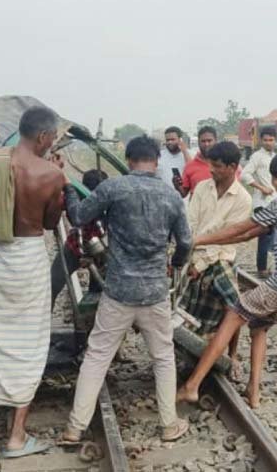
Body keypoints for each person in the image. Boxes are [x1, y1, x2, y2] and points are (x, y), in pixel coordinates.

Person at [60, 136, 192, 443]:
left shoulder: (113, 188)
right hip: (155, 292)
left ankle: (74, 427)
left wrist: (68, 189)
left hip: (118, 290)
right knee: (162, 356)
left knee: (97, 356)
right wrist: (177, 261)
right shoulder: (171, 196)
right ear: (156, 161)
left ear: (129, 159)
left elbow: (78, 216)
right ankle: (168, 424)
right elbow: (185, 242)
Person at [176, 154, 277, 408]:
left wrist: (196, 240)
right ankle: (253, 392)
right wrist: (205, 241)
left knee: (235, 312)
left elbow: (239, 228)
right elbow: (246, 235)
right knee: (258, 326)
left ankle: (191, 386)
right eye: (276, 178)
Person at [0, 108, 65, 463]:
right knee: (28, 343)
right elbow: (51, 223)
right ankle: (16, 435)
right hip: (27, 259)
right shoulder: (52, 174)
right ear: (43, 138)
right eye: (52, 138)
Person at [179, 142, 252, 384]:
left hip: (220, 258)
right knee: (191, 311)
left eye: (217, 166)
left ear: (233, 167)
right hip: (195, 254)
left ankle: (232, 355)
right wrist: (190, 258)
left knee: (236, 306)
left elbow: (229, 237)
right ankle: (198, 351)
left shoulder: (243, 199)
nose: (211, 170)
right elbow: (191, 223)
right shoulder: (201, 188)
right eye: (211, 165)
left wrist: (200, 264)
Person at [50, 170, 108, 305]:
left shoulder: (109, 202)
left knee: (97, 291)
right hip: (76, 246)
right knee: (52, 283)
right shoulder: (74, 198)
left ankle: (88, 319)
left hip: (100, 251)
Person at [241, 127, 277, 276]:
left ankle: (272, 269)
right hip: (262, 203)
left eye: (271, 140)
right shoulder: (257, 156)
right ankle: (261, 269)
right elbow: (244, 175)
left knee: (275, 237)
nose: (268, 143)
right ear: (261, 141)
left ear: (275, 140)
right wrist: (261, 188)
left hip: (275, 202)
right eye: (265, 140)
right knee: (264, 236)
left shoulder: (275, 157)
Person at [179, 126, 218, 198]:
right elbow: (183, 194)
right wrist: (177, 186)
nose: (206, 144)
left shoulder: (226, 164)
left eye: (209, 141)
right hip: (197, 208)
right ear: (198, 142)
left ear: (216, 141)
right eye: (203, 141)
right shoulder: (190, 166)